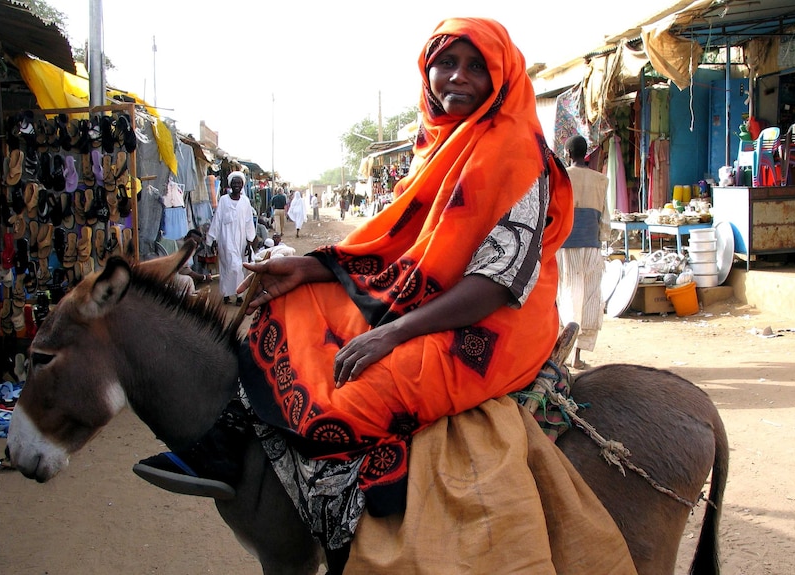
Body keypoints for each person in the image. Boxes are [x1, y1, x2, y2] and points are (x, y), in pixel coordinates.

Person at [134, 17, 573, 572]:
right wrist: (309, 268)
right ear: (427, 70)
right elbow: (396, 246)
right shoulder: (435, 144)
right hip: (423, 295)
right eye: (447, 63)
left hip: (491, 323)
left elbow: (496, 282)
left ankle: (352, 528)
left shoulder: (515, 148)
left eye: (476, 65)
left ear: (501, 75)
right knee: (289, 305)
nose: (458, 77)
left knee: (363, 392)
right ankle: (226, 444)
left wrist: (394, 331)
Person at [556, 135, 610, 370]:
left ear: (568, 153)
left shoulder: (562, 177)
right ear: (585, 153)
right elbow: (605, 218)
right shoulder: (601, 180)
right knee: (589, 300)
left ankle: (561, 357)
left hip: (565, 246)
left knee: (566, 297)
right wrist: (603, 240)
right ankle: (577, 356)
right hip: (591, 245)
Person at [206, 171, 255, 306]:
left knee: (235, 267)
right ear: (230, 184)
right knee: (232, 267)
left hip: (241, 240)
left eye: (239, 183)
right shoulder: (223, 200)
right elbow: (217, 219)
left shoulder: (245, 202)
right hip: (225, 239)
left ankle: (229, 294)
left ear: (242, 185)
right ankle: (237, 295)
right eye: (234, 183)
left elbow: (249, 222)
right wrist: (213, 239)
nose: (237, 185)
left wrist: (249, 242)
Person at [173, 228, 213, 295]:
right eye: (194, 242)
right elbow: (185, 270)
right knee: (188, 280)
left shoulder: (188, 245)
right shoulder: (182, 247)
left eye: (198, 243)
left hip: (175, 273)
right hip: (169, 276)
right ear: (186, 238)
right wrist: (204, 277)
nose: (196, 245)